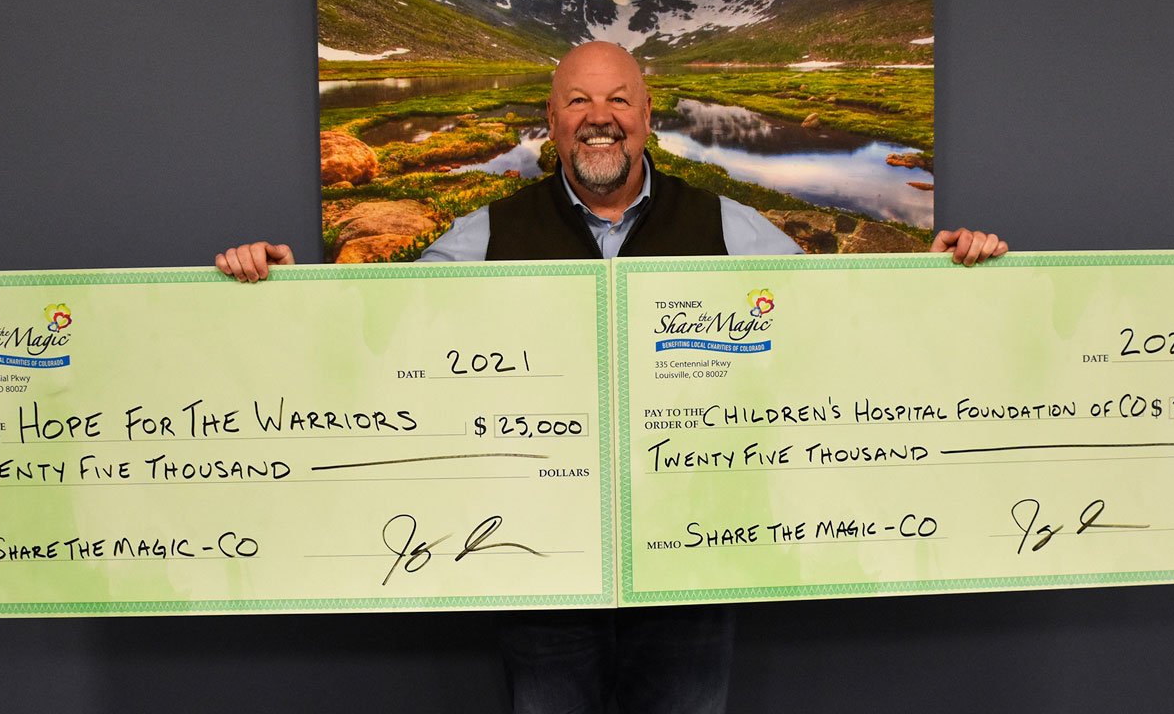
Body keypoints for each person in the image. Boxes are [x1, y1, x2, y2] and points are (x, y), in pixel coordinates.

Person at [217, 41, 1006, 713]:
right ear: (552, 120)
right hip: (539, 568)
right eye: (579, 101)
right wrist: (279, 293)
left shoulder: (730, 226)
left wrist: (941, 277)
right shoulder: (482, 235)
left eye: (619, 99)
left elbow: (841, 320)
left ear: (647, 116)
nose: (601, 116)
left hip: (693, 565)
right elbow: (378, 337)